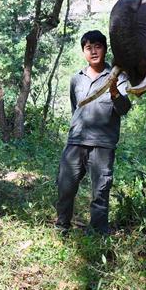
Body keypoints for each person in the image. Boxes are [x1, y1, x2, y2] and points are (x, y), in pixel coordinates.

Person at [55, 30, 131, 235]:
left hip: (102, 144)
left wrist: (114, 91)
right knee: (65, 186)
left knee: (100, 191)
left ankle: (98, 233)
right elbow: (76, 108)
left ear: (105, 49)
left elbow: (124, 109)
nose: (93, 51)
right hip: (75, 142)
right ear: (83, 52)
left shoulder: (118, 76)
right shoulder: (76, 79)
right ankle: (62, 226)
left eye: (98, 46)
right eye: (88, 48)